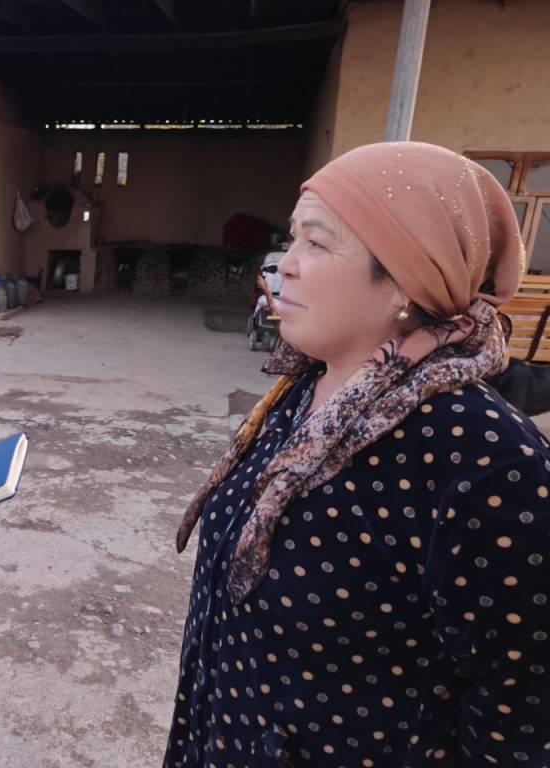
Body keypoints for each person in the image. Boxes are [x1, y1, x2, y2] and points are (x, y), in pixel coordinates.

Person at [165, 142, 550, 767]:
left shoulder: (484, 460)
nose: (284, 266)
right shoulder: (304, 391)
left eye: (316, 243)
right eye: (292, 239)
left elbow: (524, 710)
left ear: (407, 276)